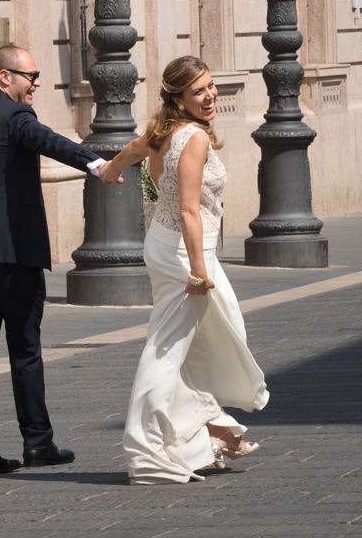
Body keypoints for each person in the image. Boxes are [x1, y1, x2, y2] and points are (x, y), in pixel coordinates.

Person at [0, 44, 133, 476]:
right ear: (4, 76)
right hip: (10, 252)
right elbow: (50, 142)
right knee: (25, 349)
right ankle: (38, 443)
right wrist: (98, 163)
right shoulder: (15, 117)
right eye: (31, 75)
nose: (36, 83)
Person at [112, 56, 269, 484]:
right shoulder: (194, 137)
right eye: (199, 91)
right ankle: (146, 449)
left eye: (211, 86)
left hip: (165, 246)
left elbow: (131, 151)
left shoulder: (162, 130)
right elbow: (188, 208)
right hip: (185, 252)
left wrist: (110, 170)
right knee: (167, 350)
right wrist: (200, 271)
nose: (210, 96)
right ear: (178, 97)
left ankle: (211, 431)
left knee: (201, 341)